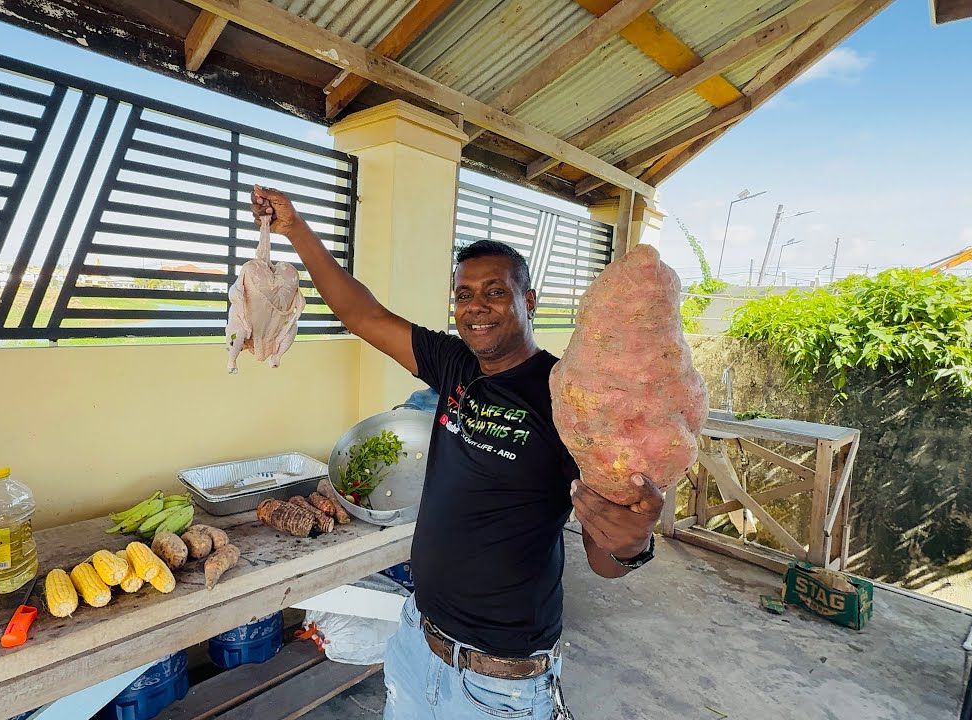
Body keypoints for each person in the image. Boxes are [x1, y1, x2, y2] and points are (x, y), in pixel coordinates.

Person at [250, 185, 663, 719]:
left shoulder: (568, 400)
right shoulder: (454, 366)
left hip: (498, 683)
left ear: (528, 301)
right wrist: (295, 228)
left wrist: (633, 544)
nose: (476, 308)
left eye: (494, 292)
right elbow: (361, 313)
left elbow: (605, 562)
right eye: (464, 295)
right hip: (416, 643)